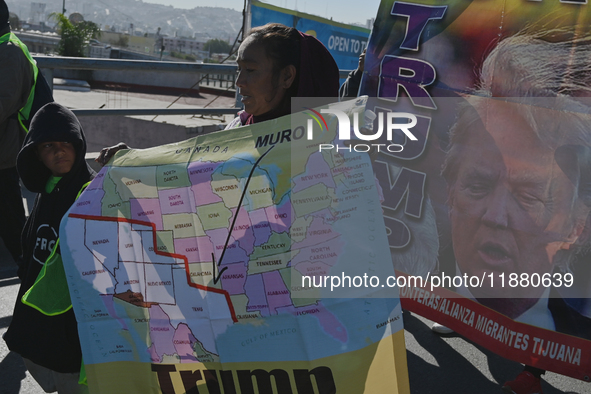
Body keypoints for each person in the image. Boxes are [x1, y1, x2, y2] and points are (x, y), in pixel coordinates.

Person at [441, 33, 591, 394]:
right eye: (477, 184)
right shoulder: (408, 302)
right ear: (450, 192)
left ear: (575, 227)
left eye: (527, 196)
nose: (495, 215)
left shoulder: (580, 344)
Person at [96, 23, 340, 164]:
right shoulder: (237, 129)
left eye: (251, 70)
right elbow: (190, 167)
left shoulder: (326, 150)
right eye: (238, 69)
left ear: (287, 76)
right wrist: (133, 160)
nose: (239, 82)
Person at [3, 102, 96, 393]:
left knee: (73, 376)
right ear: (36, 155)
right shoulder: (45, 191)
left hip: (75, 318)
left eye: (66, 142)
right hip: (42, 316)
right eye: (47, 146)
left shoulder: (91, 194)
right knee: (45, 365)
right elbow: (29, 243)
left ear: (78, 143)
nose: (58, 151)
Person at [0, 0, 33, 263]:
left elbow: (3, 102)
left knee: (11, 220)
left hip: (5, 152)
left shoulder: (9, 51)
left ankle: (28, 272)